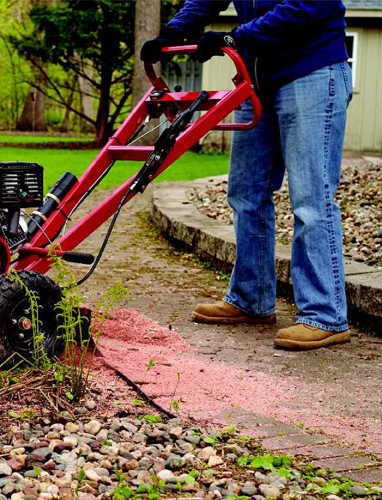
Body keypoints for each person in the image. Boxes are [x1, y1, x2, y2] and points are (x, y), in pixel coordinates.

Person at [140, 1, 352, 351]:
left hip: (311, 73)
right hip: (257, 81)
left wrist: (235, 38)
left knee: (311, 200)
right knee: (245, 193)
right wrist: (173, 32)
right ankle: (251, 299)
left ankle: (325, 315)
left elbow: (310, 5)